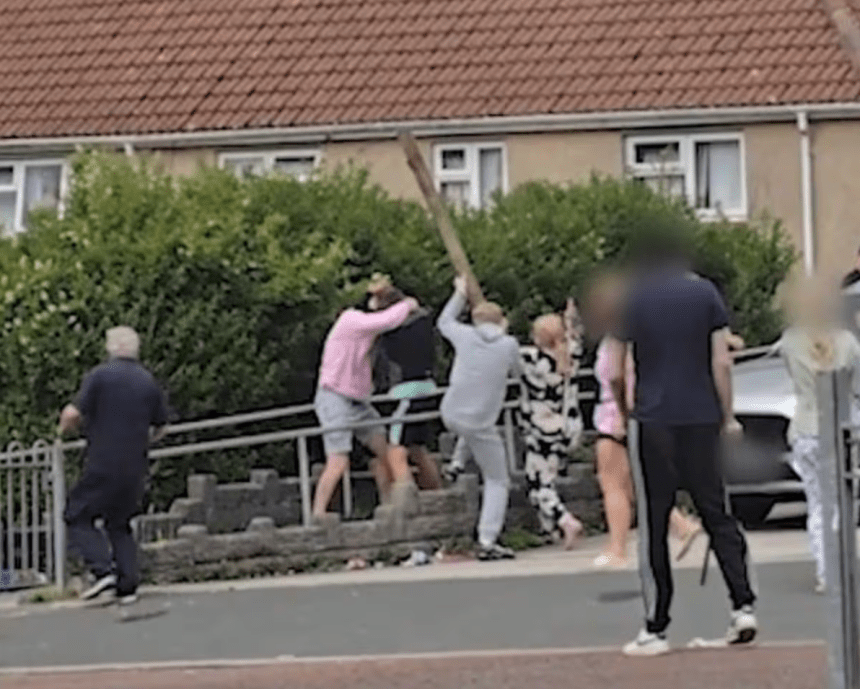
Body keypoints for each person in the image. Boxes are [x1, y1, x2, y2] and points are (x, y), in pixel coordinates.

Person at [609, 237, 757, 656]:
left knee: (655, 523)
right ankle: (742, 605)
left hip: (654, 417)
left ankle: (656, 627)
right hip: (702, 415)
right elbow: (721, 361)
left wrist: (625, 410)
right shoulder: (706, 292)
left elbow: (617, 371)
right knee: (718, 512)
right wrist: (727, 416)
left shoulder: (634, 297)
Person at [588, 273, 701, 569]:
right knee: (636, 484)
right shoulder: (646, 334)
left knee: (612, 483)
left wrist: (624, 414)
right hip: (638, 411)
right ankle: (680, 525)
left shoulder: (619, 336)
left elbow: (618, 376)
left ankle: (617, 548)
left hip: (616, 413)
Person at [59, 326, 169, 604]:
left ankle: (103, 570)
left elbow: (73, 413)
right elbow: (161, 426)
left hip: (103, 459)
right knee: (119, 523)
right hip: (135, 465)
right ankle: (127, 584)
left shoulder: (101, 375)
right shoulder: (147, 380)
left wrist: (63, 430)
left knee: (77, 514)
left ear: (112, 347)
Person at [778, 275, 860, 593]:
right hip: (839, 428)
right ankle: (840, 565)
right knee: (842, 501)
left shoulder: (790, 340)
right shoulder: (848, 342)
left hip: (805, 429)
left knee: (818, 503)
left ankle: (825, 570)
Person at [312, 284, 420, 519]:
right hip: (334, 396)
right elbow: (387, 320)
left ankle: (389, 503)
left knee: (385, 449)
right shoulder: (351, 320)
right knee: (338, 460)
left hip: (358, 399)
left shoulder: (366, 329)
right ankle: (318, 515)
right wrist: (408, 304)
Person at [438, 275, 520, 560]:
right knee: (498, 479)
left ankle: (457, 463)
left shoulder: (465, 335)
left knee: (469, 430)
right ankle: (487, 539)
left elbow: (444, 322)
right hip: (481, 420)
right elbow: (519, 372)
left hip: (451, 411)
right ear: (501, 321)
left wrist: (459, 294)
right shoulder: (508, 344)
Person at [518, 306, 584, 548]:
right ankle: (550, 530)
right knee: (543, 478)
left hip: (542, 428)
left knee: (539, 483)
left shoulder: (531, 359)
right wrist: (570, 319)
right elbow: (576, 334)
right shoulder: (572, 353)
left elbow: (502, 349)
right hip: (568, 425)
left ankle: (565, 521)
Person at [372, 279, 443, 490]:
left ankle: (404, 494)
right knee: (417, 448)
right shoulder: (424, 322)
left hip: (405, 390)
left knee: (396, 447)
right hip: (427, 384)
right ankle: (437, 493)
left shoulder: (391, 330)